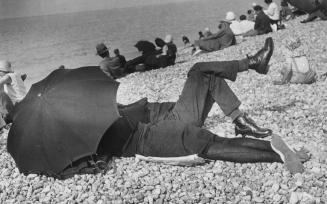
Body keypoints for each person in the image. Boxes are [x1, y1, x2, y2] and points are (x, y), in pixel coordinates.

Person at [98, 38, 307, 174]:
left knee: (204, 73)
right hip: (166, 128)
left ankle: (240, 117)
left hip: (174, 114)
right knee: (212, 145)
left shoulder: (103, 110)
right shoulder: (98, 129)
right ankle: (278, 152)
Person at [0, 60, 27, 129]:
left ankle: (4, 126)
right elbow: (24, 75)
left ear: (2, 71)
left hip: (17, 105)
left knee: (3, 96)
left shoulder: (8, 77)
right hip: (25, 101)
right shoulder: (16, 74)